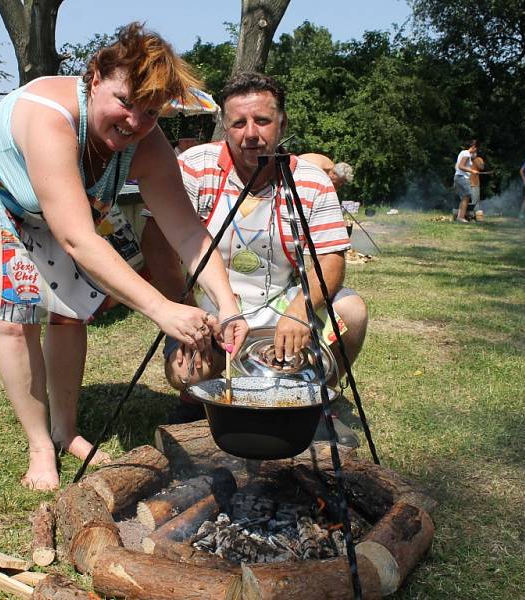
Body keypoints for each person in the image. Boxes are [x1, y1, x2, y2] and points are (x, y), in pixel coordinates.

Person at [0, 23, 247, 490]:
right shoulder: (51, 118)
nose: (134, 123)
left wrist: (226, 308)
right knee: (15, 313)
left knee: (69, 315)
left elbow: (187, 231)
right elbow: (78, 240)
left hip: (59, 201)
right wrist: (161, 308)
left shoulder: (148, 145)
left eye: (150, 112)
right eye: (125, 103)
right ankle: (40, 445)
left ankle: (66, 433)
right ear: (94, 78)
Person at [141, 72, 368, 444]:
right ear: (225, 126)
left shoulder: (312, 180)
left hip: (282, 303)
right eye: (238, 122)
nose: (250, 133)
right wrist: (181, 309)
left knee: (352, 311)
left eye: (262, 120)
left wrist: (300, 310)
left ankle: (314, 400)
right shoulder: (195, 166)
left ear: (282, 123)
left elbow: (331, 260)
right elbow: (157, 240)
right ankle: (195, 403)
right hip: (207, 306)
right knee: (188, 372)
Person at [453, 140, 480, 223]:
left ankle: (459, 217)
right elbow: (461, 166)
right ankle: (460, 218)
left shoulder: (462, 152)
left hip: (458, 177)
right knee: (467, 196)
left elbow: (457, 166)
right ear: (473, 147)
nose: (476, 151)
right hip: (462, 178)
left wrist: (469, 171)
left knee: (464, 197)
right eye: (476, 149)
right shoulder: (467, 154)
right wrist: (472, 171)